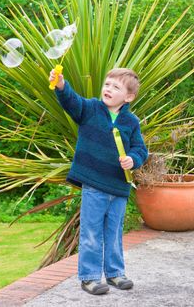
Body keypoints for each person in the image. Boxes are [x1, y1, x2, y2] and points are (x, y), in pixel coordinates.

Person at [49, 67, 148, 295]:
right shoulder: (91, 109)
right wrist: (61, 85)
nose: (108, 89)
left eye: (116, 87)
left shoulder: (131, 122)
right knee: (91, 233)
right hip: (94, 185)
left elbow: (140, 149)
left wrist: (133, 159)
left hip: (119, 188)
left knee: (114, 232)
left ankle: (115, 273)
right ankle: (90, 277)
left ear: (129, 97)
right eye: (107, 84)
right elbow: (72, 102)